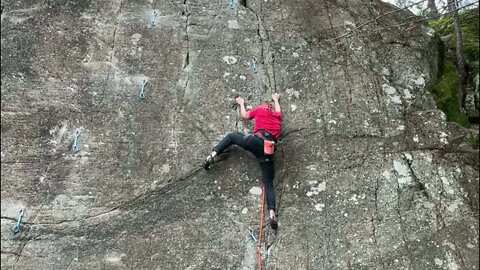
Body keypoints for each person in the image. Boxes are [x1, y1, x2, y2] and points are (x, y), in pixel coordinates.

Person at [203, 93, 282, 230]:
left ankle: (212, 154)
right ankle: (272, 213)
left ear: (263, 107)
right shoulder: (276, 117)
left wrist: (241, 103)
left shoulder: (260, 110)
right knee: (268, 183)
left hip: (256, 141)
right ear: (271, 108)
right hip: (268, 150)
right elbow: (279, 111)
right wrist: (276, 100)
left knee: (232, 137)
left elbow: (245, 115)